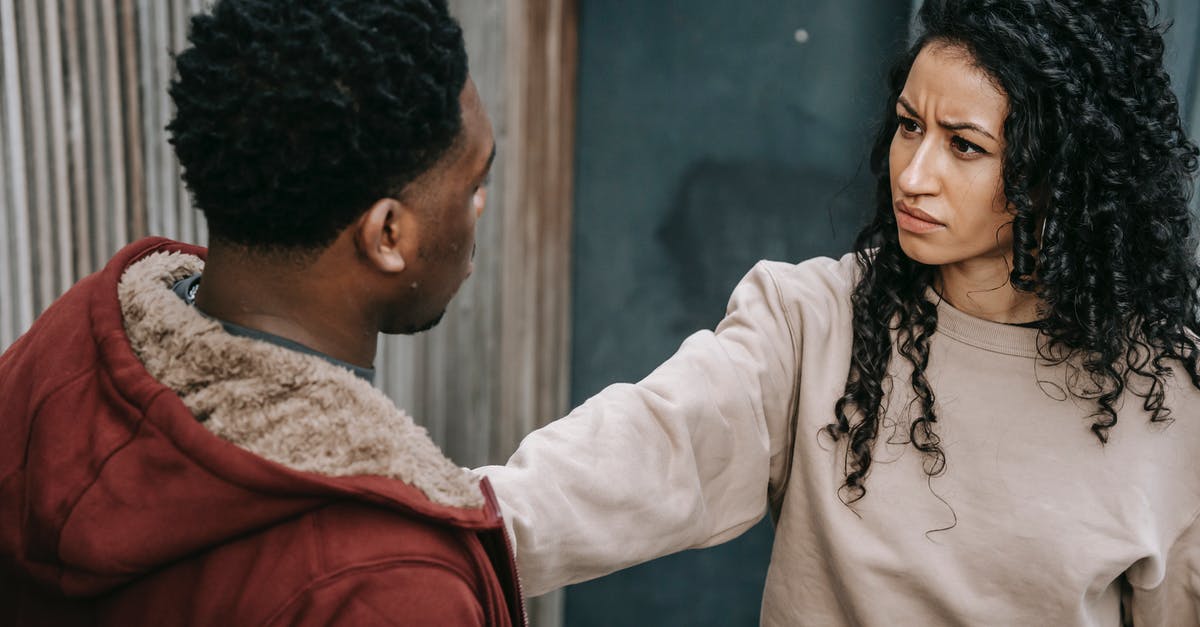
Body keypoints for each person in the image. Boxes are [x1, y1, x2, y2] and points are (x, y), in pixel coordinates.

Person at [480, 0, 1200, 624]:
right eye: (909, 125)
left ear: (1056, 175)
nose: (913, 174)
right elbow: (647, 449)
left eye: (964, 145)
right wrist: (452, 531)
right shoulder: (812, 321)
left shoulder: (1165, 401)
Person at [0, 0, 519, 625]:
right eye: (472, 185)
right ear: (387, 235)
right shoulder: (390, 586)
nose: (481, 206)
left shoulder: (63, 352)